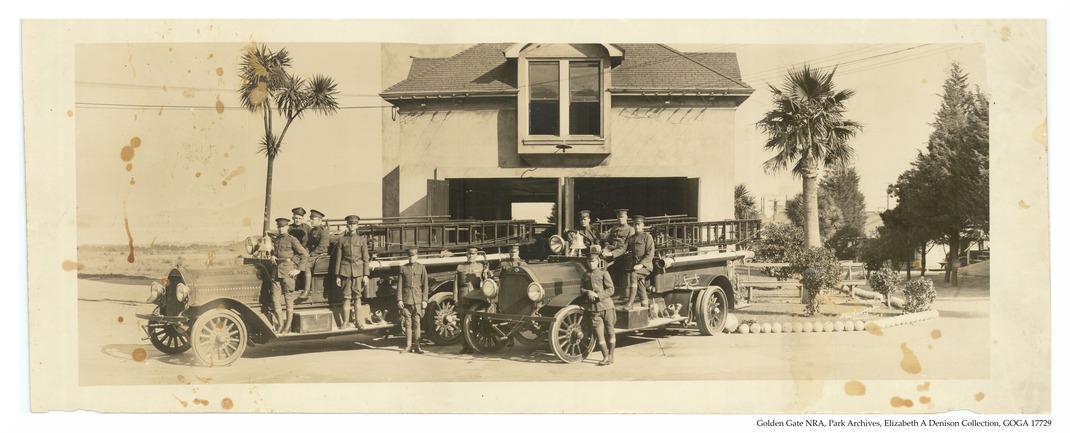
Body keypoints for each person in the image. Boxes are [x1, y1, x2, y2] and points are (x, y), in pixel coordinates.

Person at [271, 217, 308, 334]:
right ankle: (280, 324)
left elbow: (305, 255)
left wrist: (298, 270)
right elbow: (275, 252)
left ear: (287, 227)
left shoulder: (292, 240)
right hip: (276, 271)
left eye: (283, 227)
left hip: (288, 271)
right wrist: (272, 256)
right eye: (279, 227)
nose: (280, 229)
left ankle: (287, 326)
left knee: (288, 298)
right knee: (275, 298)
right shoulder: (276, 239)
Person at [333, 215, 370, 329]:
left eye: (354, 224)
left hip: (358, 271)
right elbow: (338, 259)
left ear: (357, 225)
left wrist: (366, 275)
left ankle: (358, 321)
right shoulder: (342, 240)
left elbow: (366, 258)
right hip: (345, 271)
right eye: (350, 224)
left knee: (357, 296)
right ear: (347, 225)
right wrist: (338, 275)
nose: (352, 226)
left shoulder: (362, 240)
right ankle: (345, 322)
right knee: (346, 296)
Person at [581, 245, 616, 366]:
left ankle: (611, 355)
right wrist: (588, 292)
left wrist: (598, 295)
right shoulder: (585, 275)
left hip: (607, 307)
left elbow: (611, 290)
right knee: (599, 334)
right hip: (594, 309)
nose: (591, 264)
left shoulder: (604, 273)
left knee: (610, 330)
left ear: (598, 262)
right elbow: (581, 289)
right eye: (589, 261)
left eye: (593, 261)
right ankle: (605, 357)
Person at [454, 247, 486, 354]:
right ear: (466, 255)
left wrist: (487, 274)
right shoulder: (460, 267)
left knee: (474, 323)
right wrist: (455, 298)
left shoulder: (480, 267)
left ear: (476, 255)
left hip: (475, 297)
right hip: (463, 296)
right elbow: (456, 284)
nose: (470, 256)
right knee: (463, 322)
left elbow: (484, 282)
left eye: (473, 254)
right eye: (469, 254)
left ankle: (473, 345)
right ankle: (465, 345)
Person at [397, 248, 429, 354]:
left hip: (418, 299)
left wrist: (425, 300)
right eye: (409, 256)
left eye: (413, 256)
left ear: (417, 256)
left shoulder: (421, 268)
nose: (411, 258)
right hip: (406, 299)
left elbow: (425, 285)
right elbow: (399, 285)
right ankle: (408, 346)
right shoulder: (403, 268)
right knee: (408, 323)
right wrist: (399, 299)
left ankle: (417, 346)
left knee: (417, 323)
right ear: (408, 257)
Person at [601, 209, 635, 299]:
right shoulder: (614, 228)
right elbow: (607, 240)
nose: (620, 219)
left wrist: (611, 254)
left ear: (626, 217)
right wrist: (606, 248)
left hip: (623, 255)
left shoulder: (630, 230)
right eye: (618, 217)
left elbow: (625, 248)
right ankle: (605, 289)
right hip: (611, 252)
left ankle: (620, 292)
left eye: (622, 217)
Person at [624, 215, 655, 310]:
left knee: (634, 275)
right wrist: (610, 252)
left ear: (642, 225)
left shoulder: (647, 237)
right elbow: (623, 249)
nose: (636, 227)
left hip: (646, 266)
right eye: (635, 224)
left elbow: (650, 253)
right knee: (641, 285)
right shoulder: (631, 238)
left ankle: (630, 302)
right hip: (636, 267)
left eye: (638, 224)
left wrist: (641, 264)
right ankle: (645, 308)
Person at [300, 209, 331, 299]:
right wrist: (305, 252)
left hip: (321, 255)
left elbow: (322, 248)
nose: (311, 221)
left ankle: (307, 291)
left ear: (319, 220)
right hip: (314, 254)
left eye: (313, 219)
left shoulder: (324, 232)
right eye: (310, 219)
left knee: (306, 265)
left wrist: (310, 254)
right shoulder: (313, 231)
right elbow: (309, 244)